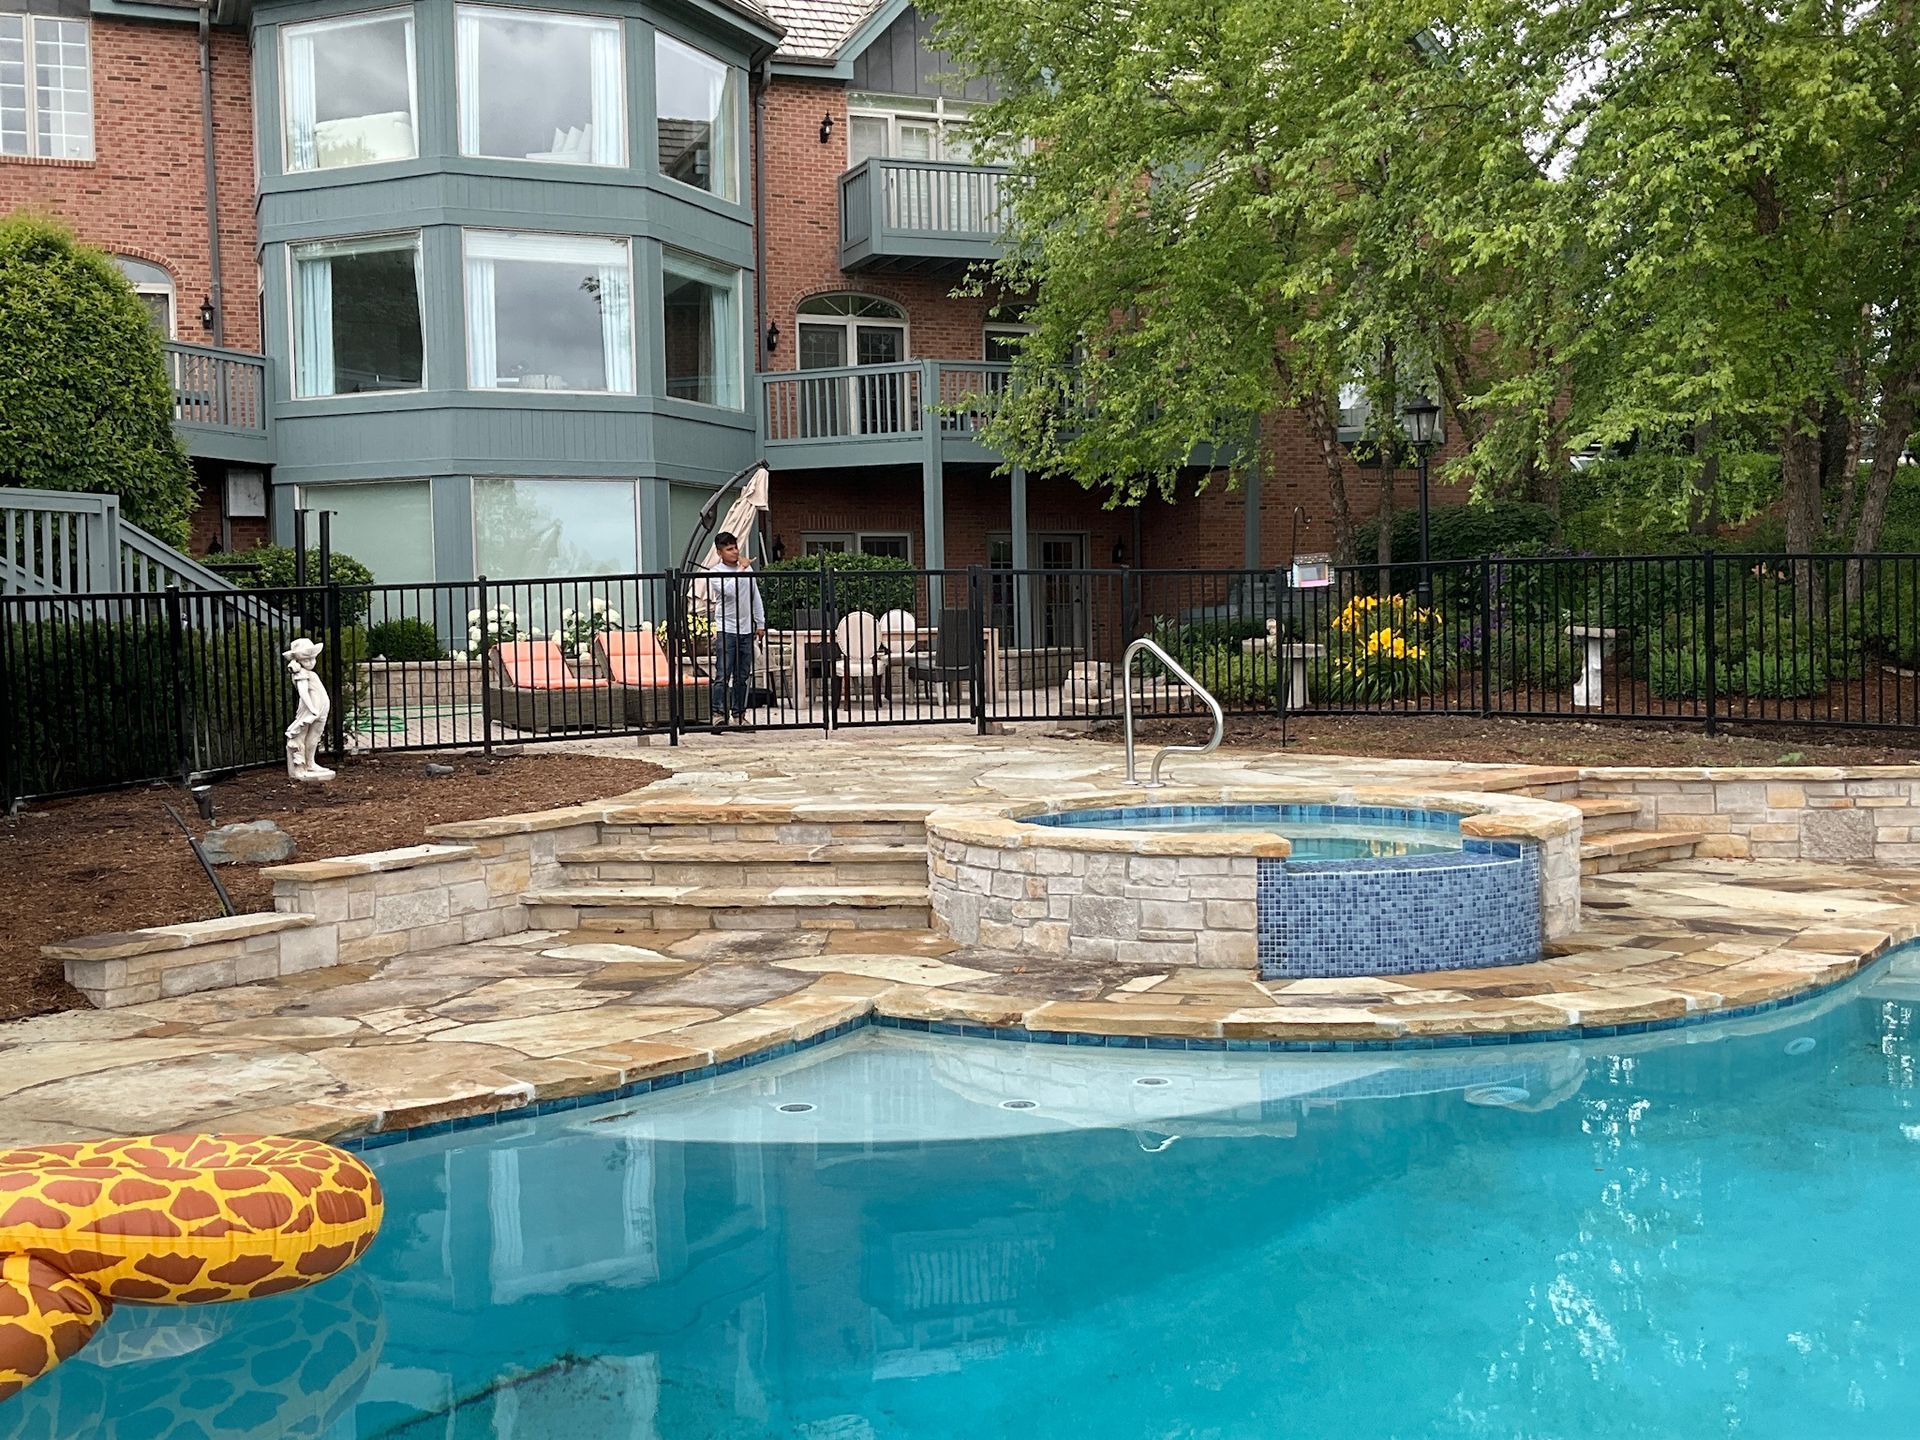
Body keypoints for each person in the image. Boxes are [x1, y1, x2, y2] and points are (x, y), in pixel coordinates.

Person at [704, 531, 764, 732]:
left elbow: (755, 596)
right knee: (723, 674)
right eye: (729, 549)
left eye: (735, 547)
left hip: (746, 630)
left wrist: (760, 622)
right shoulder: (715, 573)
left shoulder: (747, 570)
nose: (735, 551)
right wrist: (741, 568)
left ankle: (739, 716)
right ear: (720, 552)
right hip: (726, 629)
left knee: (742, 675)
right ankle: (718, 715)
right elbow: (728, 591)